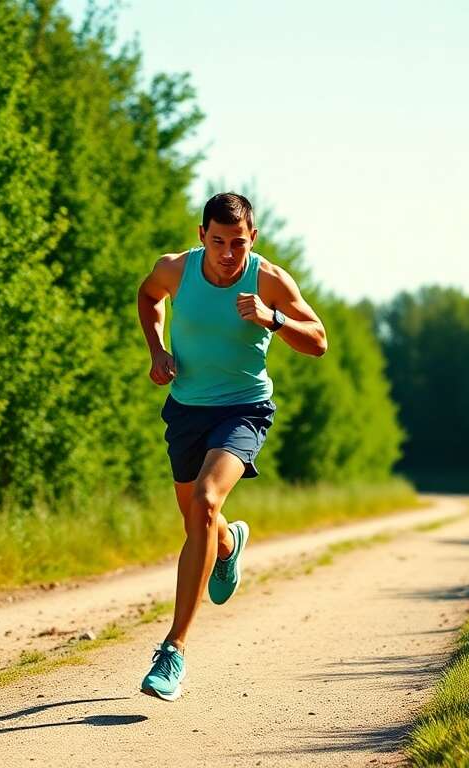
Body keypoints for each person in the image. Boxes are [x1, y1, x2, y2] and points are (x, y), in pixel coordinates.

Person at [134, 192, 328, 700]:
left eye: (237, 243)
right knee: (196, 519)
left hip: (244, 409)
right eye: (217, 241)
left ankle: (172, 651)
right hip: (186, 408)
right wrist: (157, 350)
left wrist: (273, 319)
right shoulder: (175, 270)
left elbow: (318, 340)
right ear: (202, 237)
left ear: (252, 239)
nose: (227, 253)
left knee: (204, 501)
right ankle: (228, 544)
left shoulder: (268, 280)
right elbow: (148, 296)